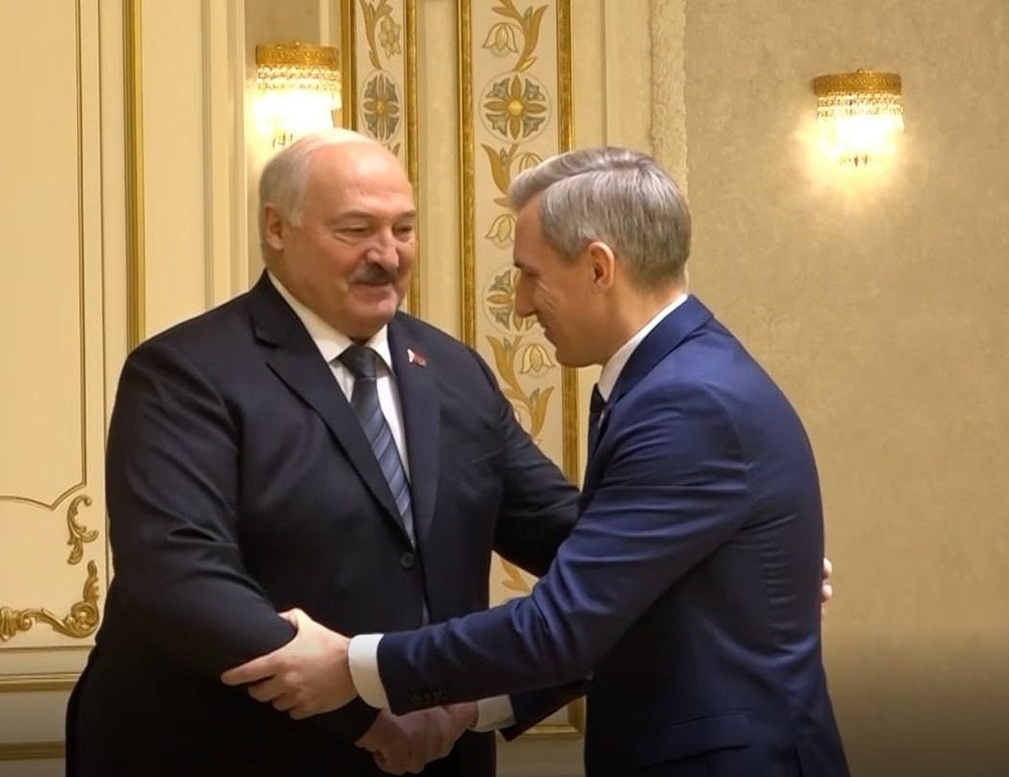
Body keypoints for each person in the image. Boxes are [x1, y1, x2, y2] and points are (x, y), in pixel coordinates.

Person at [222, 146, 851, 776]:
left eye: (531, 275)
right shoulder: (677, 378)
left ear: (599, 268)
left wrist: (351, 665)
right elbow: (618, 599)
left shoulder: (686, 403)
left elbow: (564, 625)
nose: (521, 304)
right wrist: (466, 709)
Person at [64, 128, 582, 776]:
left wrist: (485, 699)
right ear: (277, 229)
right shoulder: (186, 374)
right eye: (356, 230)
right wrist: (367, 713)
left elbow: (580, 546)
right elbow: (178, 577)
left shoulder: (455, 372)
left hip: (434, 754)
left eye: (404, 229)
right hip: (232, 750)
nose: (387, 255)